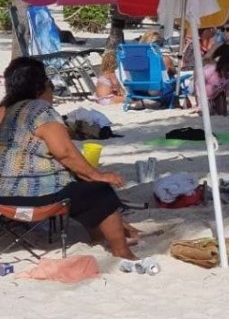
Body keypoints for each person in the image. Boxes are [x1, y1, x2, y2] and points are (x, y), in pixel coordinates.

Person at [0, 57, 138, 259]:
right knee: (98, 191)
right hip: (32, 193)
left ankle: (105, 234)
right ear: (40, 86)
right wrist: (97, 175)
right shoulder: (39, 111)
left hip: (3, 193)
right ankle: (122, 251)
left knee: (81, 183)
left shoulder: (4, 109)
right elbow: (64, 152)